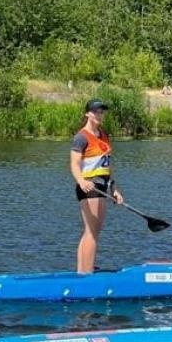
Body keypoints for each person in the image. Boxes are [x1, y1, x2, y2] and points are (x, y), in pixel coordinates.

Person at [70, 99, 123, 273]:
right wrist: (82, 181)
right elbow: (74, 164)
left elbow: (106, 166)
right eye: (96, 112)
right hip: (89, 187)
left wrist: (113, 188)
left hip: (102, 186)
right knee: (92, 232)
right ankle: (86, 274)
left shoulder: (104, 134)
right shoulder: (81, 137)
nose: (99, 115)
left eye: (101, 112)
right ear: (87, 114)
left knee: (92, 231)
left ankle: (83, 270)